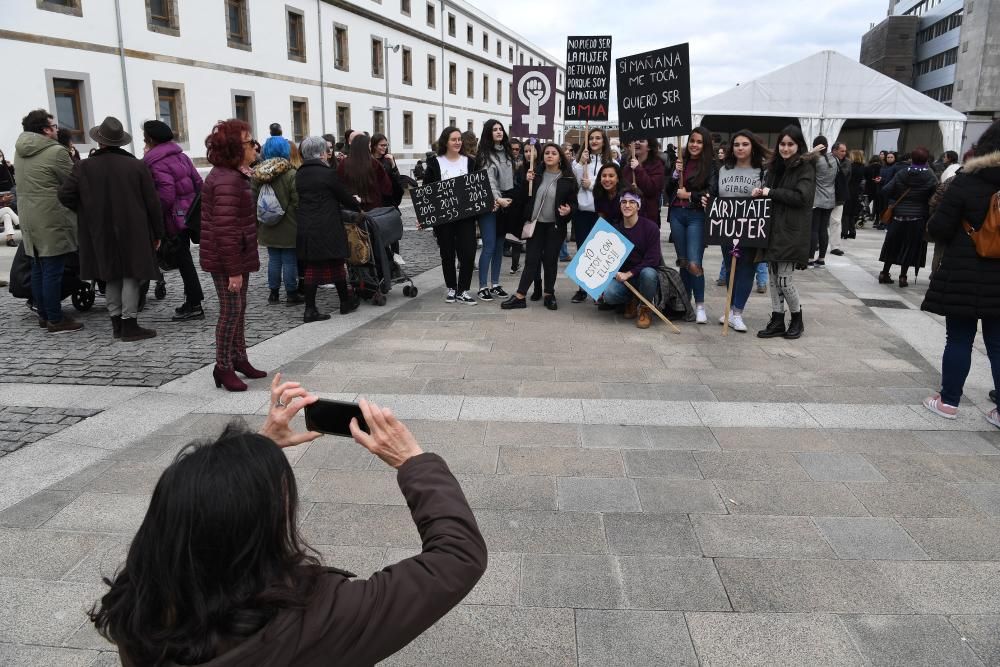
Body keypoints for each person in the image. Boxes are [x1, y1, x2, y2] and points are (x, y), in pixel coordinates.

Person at [88, 373, 487, 667]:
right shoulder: (315, 623)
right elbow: (456, 557)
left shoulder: (137, 606)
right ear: (258, 537)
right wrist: (412, 462)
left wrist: (256, 454)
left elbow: (199, 515)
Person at [921, 120, 1000, 424]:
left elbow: (939, 226)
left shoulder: (966, 180)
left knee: (958, 338)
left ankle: (948, 402)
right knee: (997, 342)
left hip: (963, 271)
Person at [58, 116, 164, 341]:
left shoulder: (83, 166)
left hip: (99, 228)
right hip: (133, 228)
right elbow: (153, 202)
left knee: (111, 275)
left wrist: (86, 212)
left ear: (100, 142)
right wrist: (158, 232)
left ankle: (117, 324)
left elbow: (65, 195)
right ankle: (129, 325)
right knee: (131, 276)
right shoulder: (136, 165)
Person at [200, 119, 266, 392]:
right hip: (228, 259)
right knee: (230, 312)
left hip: (237, 255)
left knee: (239, 309)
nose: (255, 147)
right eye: (250, 143)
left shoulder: (234, 175)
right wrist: (234, 271)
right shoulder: (226, 180)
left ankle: (239, 359)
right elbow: (224, 230)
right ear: (234, 148)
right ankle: (223, 366)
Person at [14, 109, 81, 333]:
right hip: (52, 216)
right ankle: (55, 318)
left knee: (38, 268)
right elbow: (73, 182)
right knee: (53, 269)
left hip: (29, 217)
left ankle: (44, 314)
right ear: (45, 129)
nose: (57, 129)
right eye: (54, 126)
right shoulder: (56, 152)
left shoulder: (20, 150)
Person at [753, 125, 816, 340]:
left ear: (798, 146)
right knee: (772, 278)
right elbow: (770, 193)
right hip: (772, 229)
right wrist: (761, 192)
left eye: (790, 144)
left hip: (791, 231)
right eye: (782, 143)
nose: (785, 148)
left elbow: (802, 197)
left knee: (784, 280)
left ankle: (797, 318)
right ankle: (777, 318)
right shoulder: (775, 168)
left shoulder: (805, 168)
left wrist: (771, 192)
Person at [500, 142, 578, 311]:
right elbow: (523, 199)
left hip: (555, 226)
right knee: (531, 260)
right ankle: (520, 296)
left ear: (560, 158)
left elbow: (574, 202)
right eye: (547, 153)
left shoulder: (568, 179)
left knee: (550, 260)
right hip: (536, 224)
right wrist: (526, 182)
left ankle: (549, 294)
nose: (549, 155)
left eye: (553, 153)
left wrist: (569, 210)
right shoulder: (535, 175)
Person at [141, 119, 206, 322]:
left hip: (173, 218)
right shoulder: (181, 156)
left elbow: (166, 194)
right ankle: (193, 300)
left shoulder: (155, 161)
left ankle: (194, 303)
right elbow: (198, 184)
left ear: (150, 139)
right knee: (185, 259)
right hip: (187, 215)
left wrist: (155, 215)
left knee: (183, 261)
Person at [709, 129, 772, 332]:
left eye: (744, 144)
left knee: (747, 269)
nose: (740, 148)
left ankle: (737, 312)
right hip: (727, 227)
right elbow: (716, 195)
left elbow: (769, 197)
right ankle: (729, 307)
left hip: (751, 227)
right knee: (730, 268)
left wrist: (761, 194)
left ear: (752, 146)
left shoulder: (761, 171)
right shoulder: (723, 170)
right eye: (736, 144)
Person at [296, 136, 362, 321]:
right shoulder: (327, 173)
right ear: (321, 153)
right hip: (327, 225)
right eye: (326, 150)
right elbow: (343, 196)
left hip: (307, 226)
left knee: (315, 265)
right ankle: (339, 303)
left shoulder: (300, 174)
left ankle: (334, 303)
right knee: (336, 261)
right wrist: (357, 204)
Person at [665, 126, 716, 323]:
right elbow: (668, 189)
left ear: (705, 145)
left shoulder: (711, 165)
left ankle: (700, 305)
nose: (694, 145)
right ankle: (684, 304)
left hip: (696, 216)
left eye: (699, 142)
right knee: (684, 262)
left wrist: (690, 196)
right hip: (677, 214)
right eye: (692, 141)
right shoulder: (680, 162)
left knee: (695, 263)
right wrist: (675, 176)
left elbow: (712, 191)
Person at [423, 127, 478, 304]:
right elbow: (427, 192)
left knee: (468, 253)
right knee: (447, 253)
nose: (458, 142)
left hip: (466, 216)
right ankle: (452, 288)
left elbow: (477, 187)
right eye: (454, 139)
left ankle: (463, 289)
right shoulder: (434, 163)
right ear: (445, 141)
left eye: (459, 139)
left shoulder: (470, 162)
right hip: (443, 218)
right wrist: (424, 217)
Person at [599, 188, 661, 329]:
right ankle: (631, 301)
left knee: (649, 273)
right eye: (624, 202)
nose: (627, 205)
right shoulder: (613, 231)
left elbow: (653, 259)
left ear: (638, 206)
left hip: (643, 276)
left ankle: (645, 308)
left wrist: (629, 273)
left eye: (632, 202)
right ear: (620, 205)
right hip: (623, 280)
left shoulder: (651, 228)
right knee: (609, 294)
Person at [251, 136, 302, 307]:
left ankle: (273, 293)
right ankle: (291, 293)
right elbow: (297, 202)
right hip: (289, 225)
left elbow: (253, 199)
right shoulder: (291, 173)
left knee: (274, 259)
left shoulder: (257, 174)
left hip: (266, 224)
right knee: (289, 260)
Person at [877, 146, 938, 287]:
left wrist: (895, 200)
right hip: (918, 217)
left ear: (911, 159)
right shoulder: (930, 175)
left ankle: (884, 272)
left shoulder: (902, 173)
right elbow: (936, 194)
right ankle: (903, 276)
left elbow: (886, 190)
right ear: (926, 160)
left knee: (892, 244)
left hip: (898, 216)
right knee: (910, 246)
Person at [570, 128, 615, 303]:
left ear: (604, 141)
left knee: (599, 253)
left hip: (601, 212)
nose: (594, 141)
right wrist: (581, 164)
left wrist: (592, 184)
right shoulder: (578, 162)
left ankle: (600, 290)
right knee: (583, 250)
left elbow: (609, 183)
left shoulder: (612, 163)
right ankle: (582, 288)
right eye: (591, 138)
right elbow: (576, 181)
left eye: (598, 138)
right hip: (583, 212)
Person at [473, 119, 515, 301]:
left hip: (504, 203)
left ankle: (495, 284)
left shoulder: (507, 153)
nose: (499, 132)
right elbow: (488, 180)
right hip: (490, 204)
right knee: (489, 245)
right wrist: (497, 199)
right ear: (488, 133)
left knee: (499, 246)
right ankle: (482, 286)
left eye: (500, 129)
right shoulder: (484, 155)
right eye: (494, 130)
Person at [338, 134, 392, 212]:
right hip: (373, 208)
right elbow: (387, 188)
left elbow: (339, 186)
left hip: (351, 208)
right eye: (369, 146)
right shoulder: (374, 163)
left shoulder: (343, 164)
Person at [622, 137, 666, 228]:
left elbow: (651, 189)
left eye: (641, 141)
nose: (637, 142)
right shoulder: (627, 168)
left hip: (648, 217)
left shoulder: (657, 166)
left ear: (649, 147)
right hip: (629, 218)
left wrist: (638, 169)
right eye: (635, 140)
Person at [808, 135, 836, 266]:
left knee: (813, 229)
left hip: (816, 198)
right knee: (823, 229)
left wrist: (812, 152)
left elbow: (801, 162)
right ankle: (822, 258)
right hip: (830, 198)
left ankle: (810, 257)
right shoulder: (834, 159)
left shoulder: (815, 160)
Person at [827, 142, 851, 256]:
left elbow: (842, 174)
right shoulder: (826, 160)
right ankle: (816, 243)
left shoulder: (846, 163)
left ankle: (835, 246)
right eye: (842, 151)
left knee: (836, 222)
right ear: (834, 150)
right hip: (825, 196)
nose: (844, 153)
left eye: (845, 151)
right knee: (819, 222)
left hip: (838, 197)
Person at [842, 150, 866, 239]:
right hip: (857, 191)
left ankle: (844, 232)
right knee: (852, 213)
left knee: (845, 213)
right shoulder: (863, 167)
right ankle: (852, 232)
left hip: (848, 190)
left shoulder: (850, 166)